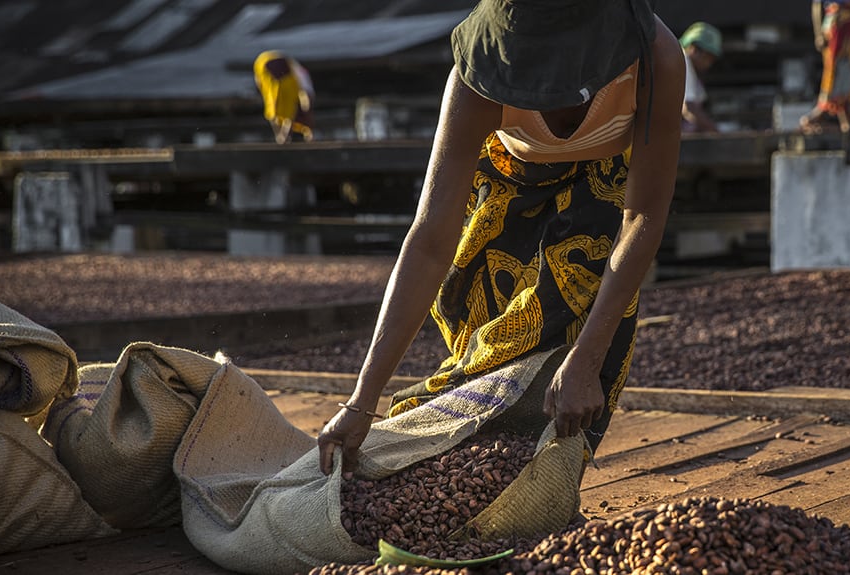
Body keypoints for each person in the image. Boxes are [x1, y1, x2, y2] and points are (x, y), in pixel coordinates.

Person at [316, 0, 685, 477]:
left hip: (603, 192)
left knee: (569, 318)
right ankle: (467, 461)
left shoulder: (654, 56)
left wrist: (587, 360)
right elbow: (430, 239)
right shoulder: (474, 79)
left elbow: (643, 217)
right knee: (490, 337)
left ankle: (537, 474)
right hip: (508, 184)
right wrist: (361, 401)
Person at [800, 0, 850, 134]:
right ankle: (823, 109)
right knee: (835, 69)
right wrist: (818, 33)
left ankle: (846, 118)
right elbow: (817, 3)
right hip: (836, 22)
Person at [252, 50, 315, 143]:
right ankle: (282, 138)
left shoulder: (296, 78)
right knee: (285, 110)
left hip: (264, 66)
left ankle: (281, 137)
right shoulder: (301, 83)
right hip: (275, 72)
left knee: (276, 108)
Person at [679, 22, 722, 134]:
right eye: (708, 57)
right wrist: (716, 132)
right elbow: (689, 108)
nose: (710, 63)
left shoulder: (693, 72)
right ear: (694, 49)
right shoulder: (682, 61)